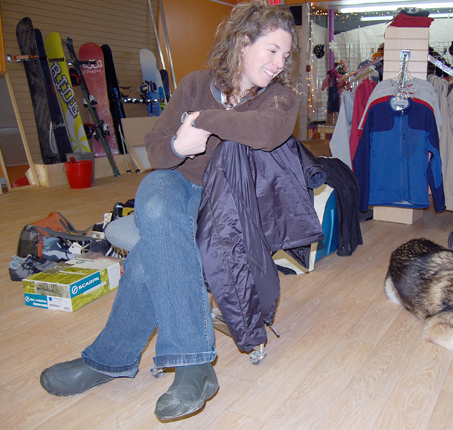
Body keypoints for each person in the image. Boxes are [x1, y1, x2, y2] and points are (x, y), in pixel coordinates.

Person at [39, 0, 300, 421]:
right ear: (242, 43)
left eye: (284, 55)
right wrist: (180, 145)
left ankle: (109, 359)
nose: (278, 63)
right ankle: (193, 363)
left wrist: (204, 121)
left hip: (227, 204)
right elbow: (158, 150)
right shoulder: (195, 83)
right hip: (178, 184)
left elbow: (266, 133)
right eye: (271, 50)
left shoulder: (279, 99)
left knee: (148, 257)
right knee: (155, 195)